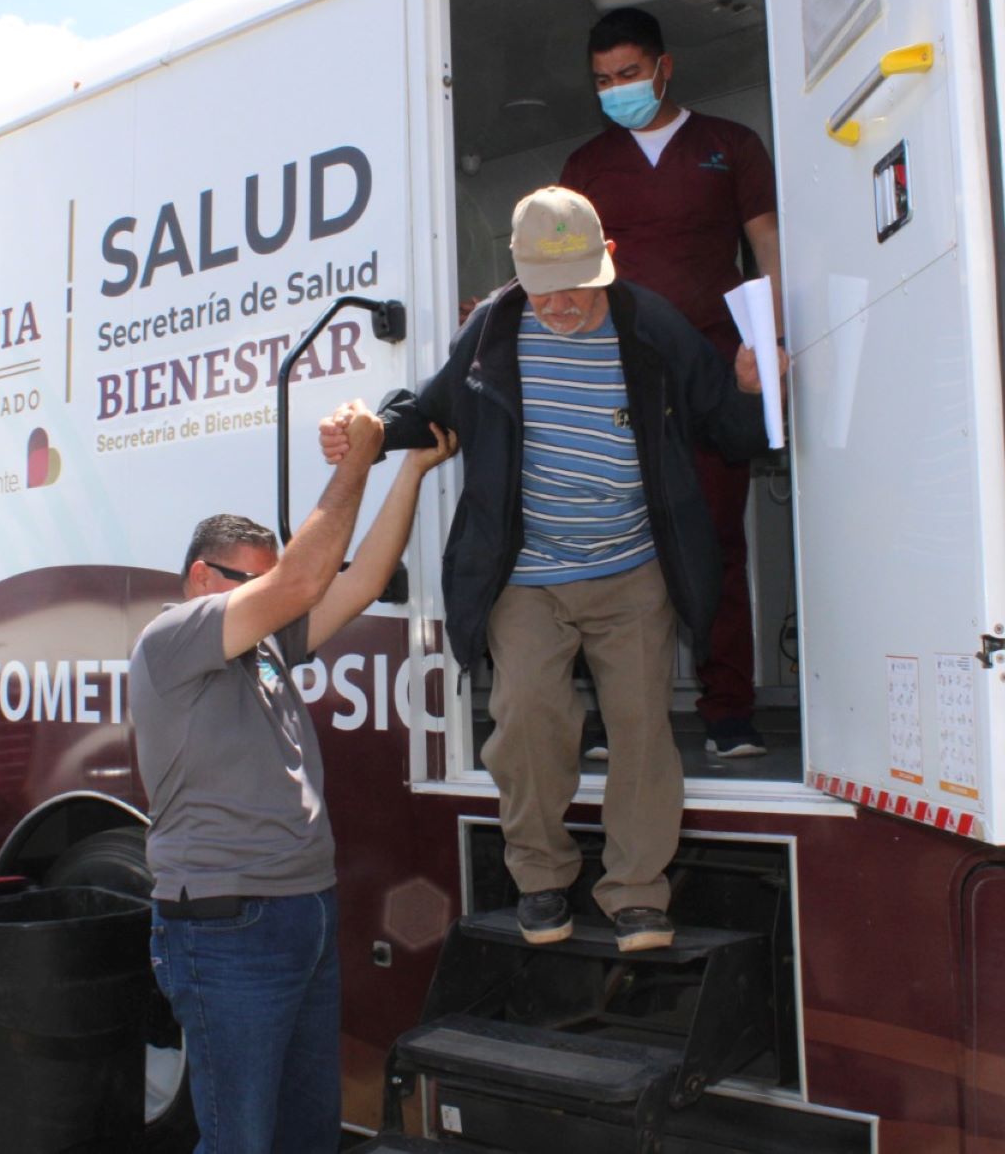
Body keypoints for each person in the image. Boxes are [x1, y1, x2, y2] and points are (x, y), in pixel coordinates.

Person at [326, 186, 771, 954]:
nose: (560, 305)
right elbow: (431, 409)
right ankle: (540, 878)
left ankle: (636, 892)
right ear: (517, 274)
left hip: (632, 568)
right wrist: (368, 429)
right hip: (527, 568)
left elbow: (733, 434)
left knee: (641, 726)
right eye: (543, 288)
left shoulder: (650, 327)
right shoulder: (493, 328)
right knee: (528, 715)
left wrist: (753, 388)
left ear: (609, 263)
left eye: (575, 287)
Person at [129, 403, 455, 1154]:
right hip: (227, 927)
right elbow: (309, 578)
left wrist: (408, 468)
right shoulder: (172, 638)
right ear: (201, 577)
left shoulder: (263, 647)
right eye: (253, 584)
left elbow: (362, 579)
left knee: (307, 1131)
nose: (273, 597)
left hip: (298, 910)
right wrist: (356, 461)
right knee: (240, 1139)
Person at [558, 6, 782, 760]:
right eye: (603, 81)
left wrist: (770, 340)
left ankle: (729, 715)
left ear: (664, 67)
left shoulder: (730, 145)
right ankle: (625, 722)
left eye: (628, 74)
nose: (617, 89)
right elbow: (561, 273)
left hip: (716, 371)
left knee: (717, 540)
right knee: (616, 547)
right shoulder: (586, 166)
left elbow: (766, 245)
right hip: (617, 378)